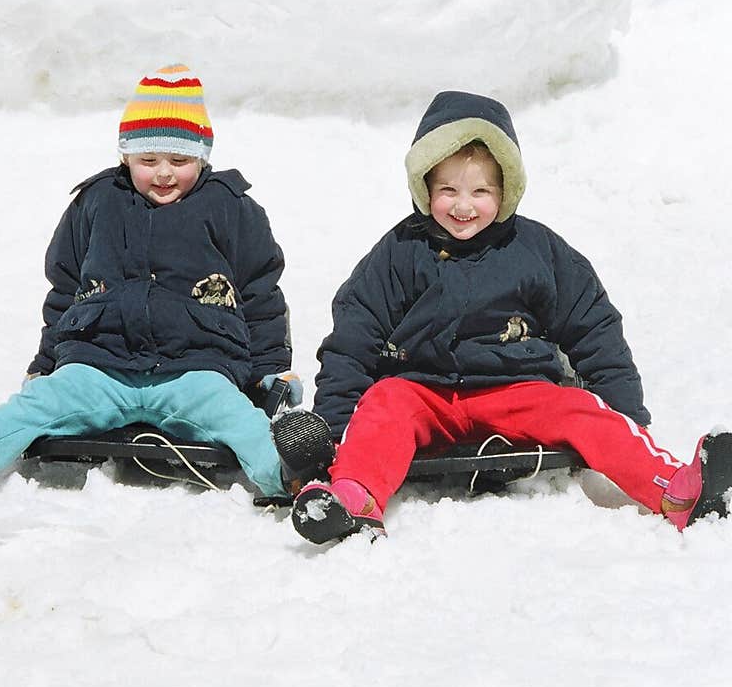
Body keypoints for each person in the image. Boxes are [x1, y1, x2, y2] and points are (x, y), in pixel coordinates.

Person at [272, 89, 732, 544]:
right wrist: (331, 432)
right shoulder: (399, 253)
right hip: (424, 392)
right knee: (383, 403)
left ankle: (675, 490)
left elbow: (592, 326)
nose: (463, 205)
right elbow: (354, 337)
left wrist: (627, 415)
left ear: (505, 190)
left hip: (516, 389)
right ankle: (353, 498)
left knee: (578, 408)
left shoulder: (535, 251)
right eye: (448, 189)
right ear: (425, 187)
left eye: (480, 191)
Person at [0, 63, 307, 501]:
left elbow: (261, 294)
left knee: (237, 418)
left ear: (202, 156)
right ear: (125, 156)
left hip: (197, 368)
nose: (164, 173)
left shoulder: (230, 208)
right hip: (101, 364)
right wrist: (46, 364)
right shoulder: (97, 202)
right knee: (39, 406)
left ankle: (292, 473)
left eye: (180, 161)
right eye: (148, 160)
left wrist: (269, 373)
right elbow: (65, 289)